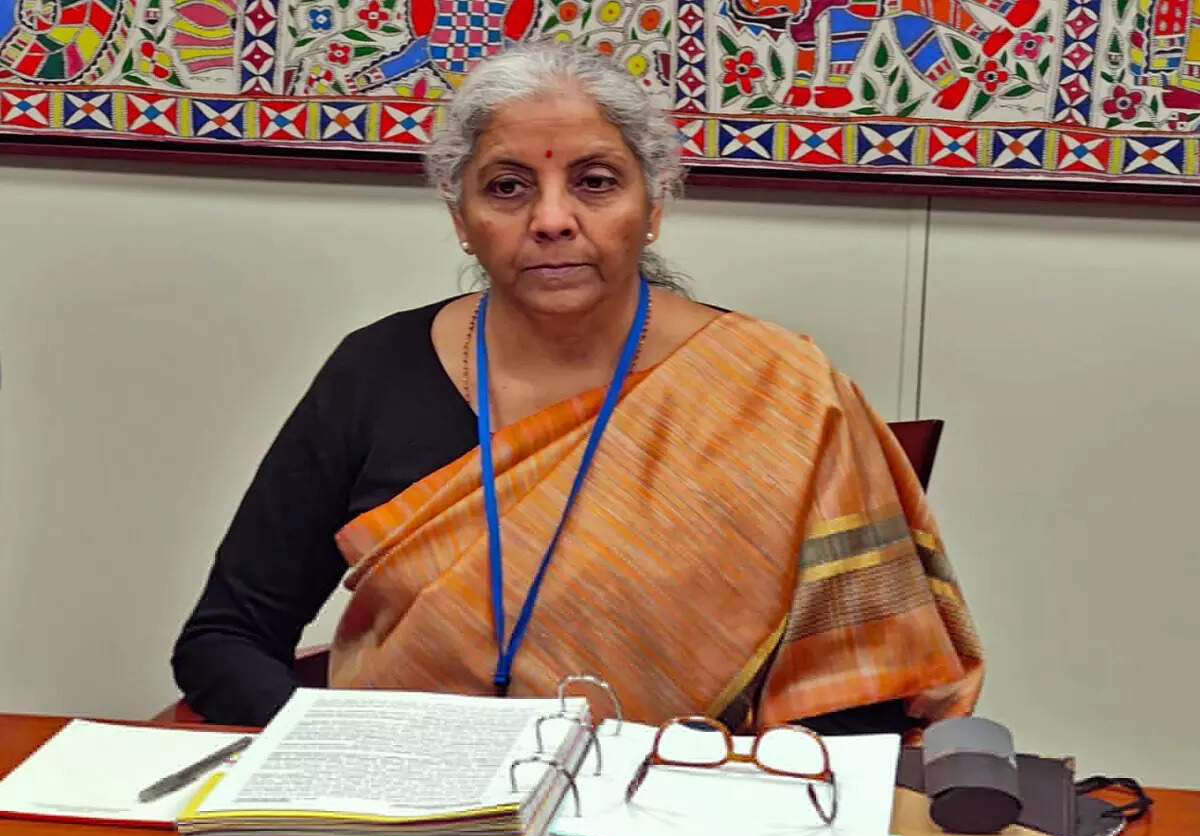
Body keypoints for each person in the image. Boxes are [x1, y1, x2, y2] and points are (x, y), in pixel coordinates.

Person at [171, 41, 983, 733]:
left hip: (676, 818)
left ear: (653, 205)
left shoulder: (781, 391)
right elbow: (224, 641)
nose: (552, 219)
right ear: (460, 219)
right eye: (508, 186)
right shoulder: (374, 369)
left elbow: (866, 690)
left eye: (595, 182)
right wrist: (343, 752)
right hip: (403, 812)